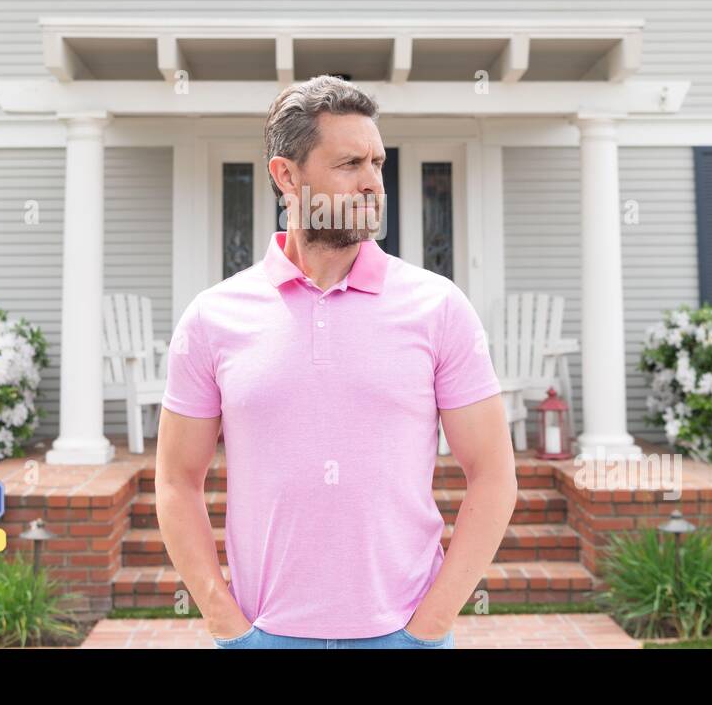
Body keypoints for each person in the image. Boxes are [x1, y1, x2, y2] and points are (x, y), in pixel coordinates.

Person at [154, 75, 518, 649]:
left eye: (377, 162)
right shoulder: (212, 318)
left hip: (403, 634)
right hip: (263, 635)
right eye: (349, 163)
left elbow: (494, 477)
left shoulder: (439, 307)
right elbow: (176, 481)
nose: (373, 181)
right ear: (286, 176)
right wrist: (229, 626)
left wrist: (429, 627)